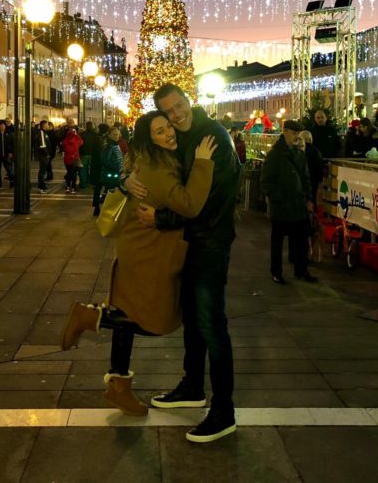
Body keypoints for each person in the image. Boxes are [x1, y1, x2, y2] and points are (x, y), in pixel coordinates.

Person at [60, 110, 216, 419]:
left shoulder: (154, 162)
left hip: (140, 249)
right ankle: (89, 318)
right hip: (148, 254)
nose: (168, 133)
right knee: (157, 322)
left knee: (126, 312)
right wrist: (203, 163)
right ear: (149, 139)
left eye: (168, 127)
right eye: (159, 131)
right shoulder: (159, 170)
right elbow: (188, 204)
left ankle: (119, 387)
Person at [131, 83, 241, 444]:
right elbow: (152, 172)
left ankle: (224, 411)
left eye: (179, 106)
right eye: (169, 111)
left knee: (211, 324)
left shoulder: (213, 138)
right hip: (189, 243)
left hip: (209, 242)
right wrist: (126, 180)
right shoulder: (179, 139)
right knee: (193, 320)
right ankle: (193, 386)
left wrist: (161, 221)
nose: (176, 115)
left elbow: (210, 201)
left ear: (188, 101)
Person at [261, 120, 317, 285]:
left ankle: (301, 270)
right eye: (294, 133)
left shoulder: (299, 153)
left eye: (298, 134)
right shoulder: (275, 155)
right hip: (282, 206)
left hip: (299, 205)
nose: (296, 137)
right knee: (277, 242)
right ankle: (276, 272)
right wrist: (278, 197)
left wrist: (308, 198)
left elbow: (306, 177)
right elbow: (266, 181)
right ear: (285, 132)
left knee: (301, 241)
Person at [0, 119, 14, 190]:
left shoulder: (9, 133)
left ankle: (12, 181)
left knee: (9, 169)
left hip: (7, 155)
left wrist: (11, 152)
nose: (2, 126)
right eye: (1, 125)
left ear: (5, 126)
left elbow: (13, 144)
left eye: (3, 125)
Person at [61, 127, 83, 193]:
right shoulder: (76, 141)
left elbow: (63, 146)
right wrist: (76, 135)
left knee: (69, 173)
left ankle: (68, 187)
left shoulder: (65, 141)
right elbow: (81, 141)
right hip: (74, 159)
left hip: (67, 159)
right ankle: (73, 188)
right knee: (74, 174)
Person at [35, 120, 52, 193]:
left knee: (43, 171)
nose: (48, 126)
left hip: (44, 155)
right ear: (44, 125)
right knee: (42, 171)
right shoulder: (41, 132)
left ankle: (42, 185)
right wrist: (47, 154)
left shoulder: (44, 132)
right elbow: (42, 144)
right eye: (47, 124)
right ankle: (41, 186)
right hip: (43, 155)